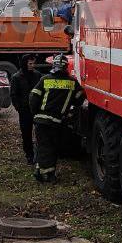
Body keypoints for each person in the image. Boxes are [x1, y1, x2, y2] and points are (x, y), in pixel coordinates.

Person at [29, 54, 80, 183]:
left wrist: (35, 113)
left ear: (54, 66)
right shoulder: (72, 82)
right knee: (51, 147)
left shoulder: (45, 79)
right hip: (56, 122)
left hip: (41, 119)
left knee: (43, 146)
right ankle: (49, 175)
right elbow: (80, 98)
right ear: (66, 67)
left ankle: (39, 171)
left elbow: (33, 97)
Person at [9, 54, 42, 164]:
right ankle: (29, 155)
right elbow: (13, 95)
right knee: (26, 134)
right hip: (24, 110)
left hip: (37, 110)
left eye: (33, 63)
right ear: (24, 64)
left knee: (40, 133)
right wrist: (19, 108)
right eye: (30, 63)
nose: (32, 66)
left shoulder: (37, 75)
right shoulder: (16, 77)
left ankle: (39, 155)